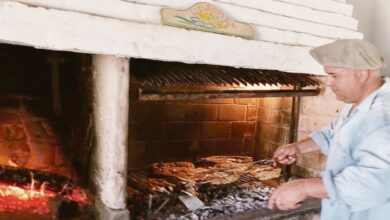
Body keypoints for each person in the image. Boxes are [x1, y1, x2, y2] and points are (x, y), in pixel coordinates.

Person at [268, 39, 390, 220]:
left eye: (334, 75)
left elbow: (373, 182)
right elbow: (333, 132)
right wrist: (297, 147)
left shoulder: (382, 116)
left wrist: (305, 187)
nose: (329, 83)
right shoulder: (359, 101)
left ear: (362, 74)